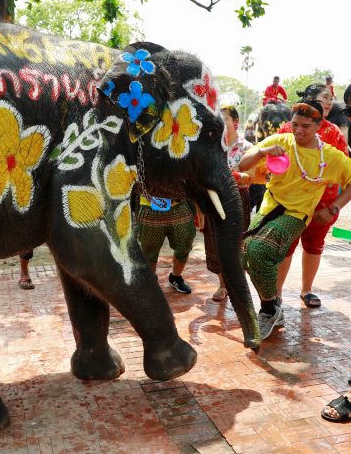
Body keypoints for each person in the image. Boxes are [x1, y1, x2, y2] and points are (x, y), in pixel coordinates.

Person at [239, 100, 351, 340]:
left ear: (319, 126)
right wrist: (261, 151)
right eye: (295, 124)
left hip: (296, 215)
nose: (298, 131)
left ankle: (269, 309)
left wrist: (333, 207)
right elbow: (243, 164)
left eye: (306, 127)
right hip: (269, 207)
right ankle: (272, 305)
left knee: (259, 250)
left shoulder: (330, 156)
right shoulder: (281, 141)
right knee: (244, 252)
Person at [276, 84, 349, 308]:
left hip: (322, 205)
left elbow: (346, 172)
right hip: (291, 204)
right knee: (286, 246)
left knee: (314, 245)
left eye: (331, 99)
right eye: (324, 97)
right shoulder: (287, 129)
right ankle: (276, 295)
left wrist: (333, 207)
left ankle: (307, 290)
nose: (329, 102)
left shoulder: (334, 132)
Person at [204, 106, 252, 301]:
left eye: (225, 119)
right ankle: (223, 285)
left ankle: (238, 283)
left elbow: (250, 177)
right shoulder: (210, 145)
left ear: (235, 122)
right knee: (214, 242)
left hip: (237, 199)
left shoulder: (247, 148)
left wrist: (229, 177)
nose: (221, 123)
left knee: (237, 242)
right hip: (212, 198)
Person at [136, 195, 196, 294]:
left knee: (184, 243)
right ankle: (150, 280)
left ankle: (176, 278)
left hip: (179, 206)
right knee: (149, 248)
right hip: (149, 206)